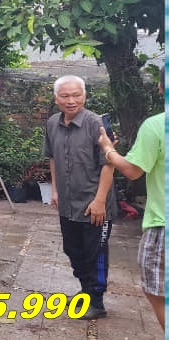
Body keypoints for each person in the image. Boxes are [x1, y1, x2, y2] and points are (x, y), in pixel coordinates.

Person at [43, 75, 117, 320]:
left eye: (77, 95)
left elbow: (109, 164)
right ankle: (85, 290)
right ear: (56, 98)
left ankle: (96, 302)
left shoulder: (97, 125)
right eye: (65, 96)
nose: (71, 100)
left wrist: (100, 201)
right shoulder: (52, 123)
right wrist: (55, 190)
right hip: (67, 203)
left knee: (95, 254)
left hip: (94, 204)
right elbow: (52, 157)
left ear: (84, 95)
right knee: (73, 249)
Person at [97, 67, 164, 329]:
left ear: (160, 87)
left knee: (155, 288)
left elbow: (133, 171)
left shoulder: (157, 126)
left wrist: (108, 150)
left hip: (163, 223)